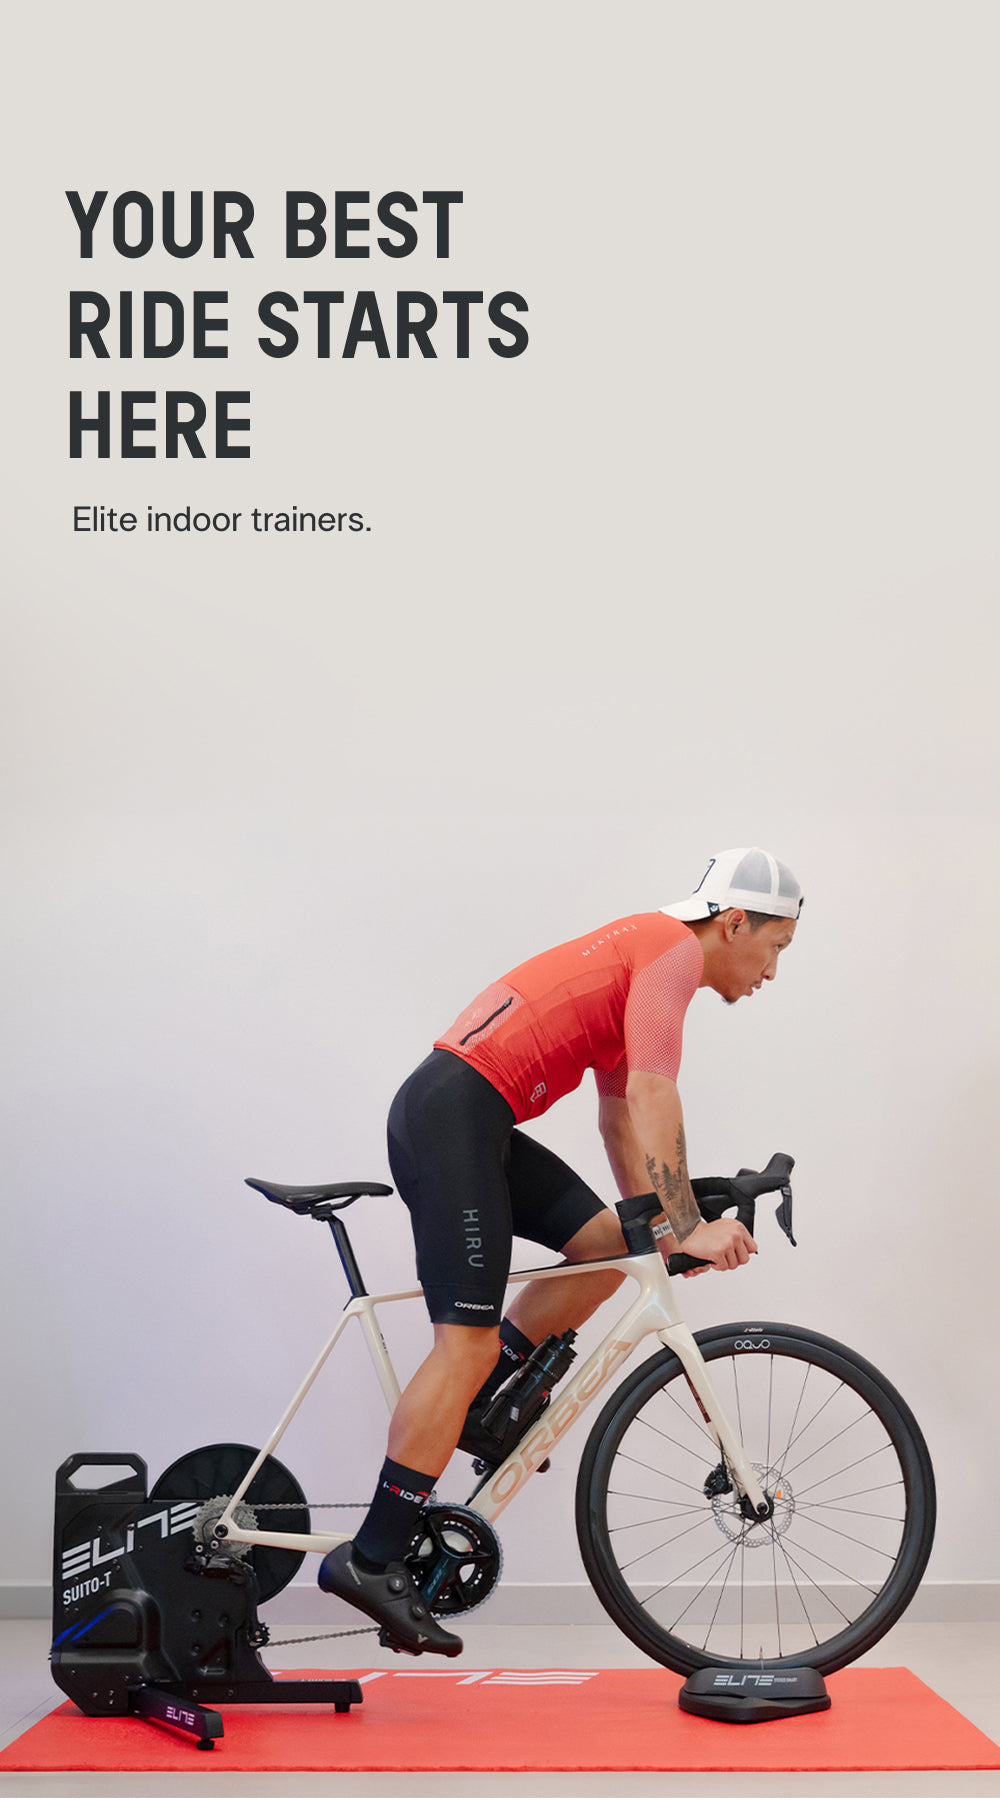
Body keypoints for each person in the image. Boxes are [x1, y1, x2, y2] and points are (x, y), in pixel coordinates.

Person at [319, 846, 803, 1654]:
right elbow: (653, 1093)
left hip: (468, 1114)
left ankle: (480, 1412)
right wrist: (687, 1224)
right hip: (454, 1118)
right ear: (733, 923)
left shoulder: (645, 955)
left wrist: (656, 1230)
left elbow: (620, 1119)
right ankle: (371, 1558)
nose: (773, 971)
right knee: (465, 1345)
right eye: (776, 947)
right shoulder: (672, 952)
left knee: (609, 1246)